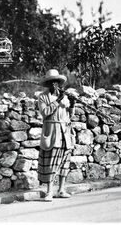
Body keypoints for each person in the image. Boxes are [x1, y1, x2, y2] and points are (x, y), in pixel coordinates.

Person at [37, 69, 76, 202]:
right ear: (48, 84)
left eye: (56, 82)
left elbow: (69, 115)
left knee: (64, 163)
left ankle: (61, 189)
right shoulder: (43, 97)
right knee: (51, 162)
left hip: (65, 132)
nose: (54, 84)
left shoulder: (64, 96)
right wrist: (57, 100)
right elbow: (45, 112)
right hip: (52, 132)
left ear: (59, 83)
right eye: (51, 82)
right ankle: (49, 192)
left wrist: (72, 104)